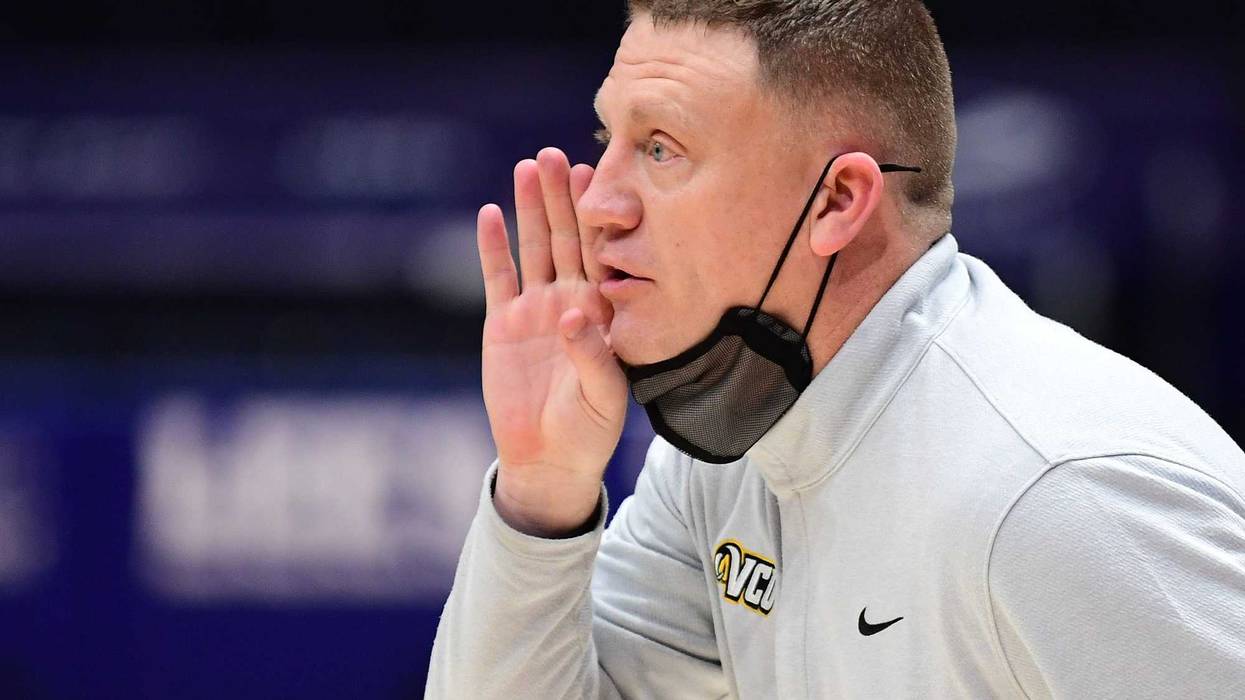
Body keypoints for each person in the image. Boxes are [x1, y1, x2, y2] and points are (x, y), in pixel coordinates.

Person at [427, 1, 1245, 697]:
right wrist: (541, 493)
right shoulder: (731, 444)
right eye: (607, 136)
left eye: (661, 148)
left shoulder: (1061, 496)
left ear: (838, 200)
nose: (598, 201)